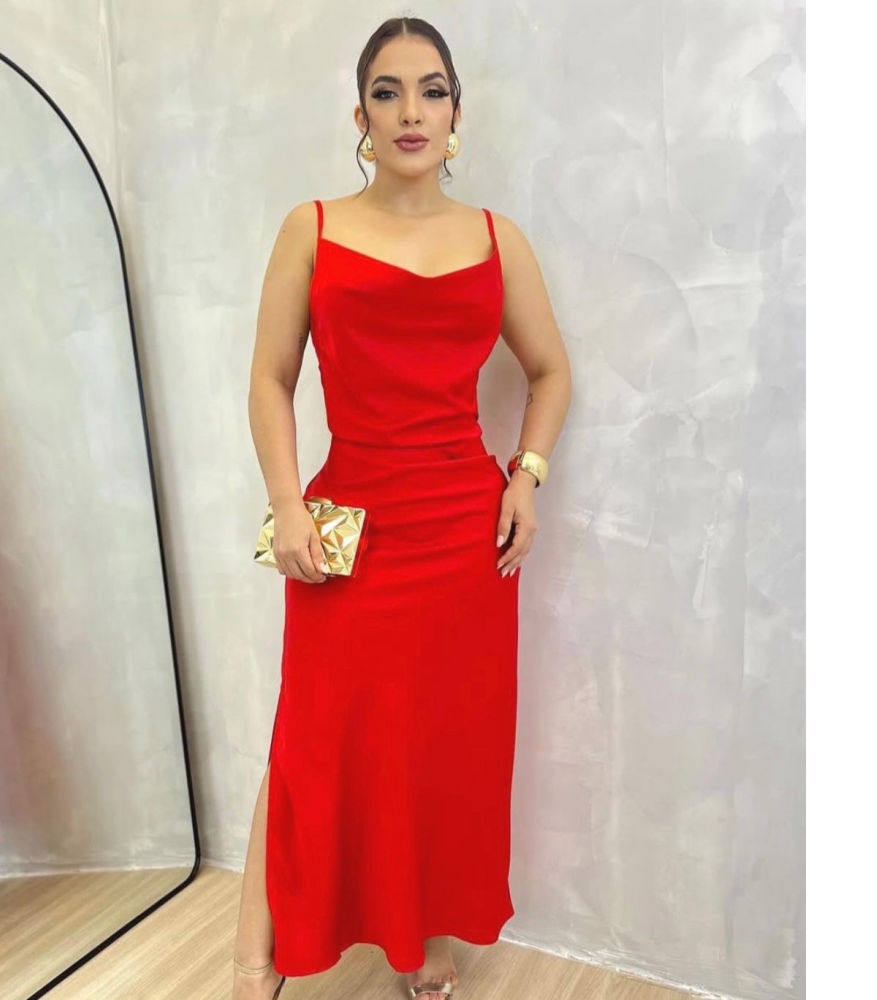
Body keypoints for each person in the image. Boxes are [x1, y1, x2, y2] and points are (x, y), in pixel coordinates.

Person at [236, 16, 572, 1000]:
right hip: (347, 529)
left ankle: (419, 943)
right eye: (387, 92)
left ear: (456, 113)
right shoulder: (312, 228)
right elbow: (268, 379)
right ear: (361, 117)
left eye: (431, 90)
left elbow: (551, 371)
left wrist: (526, 474)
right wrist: (286, 504)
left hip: (465, 538)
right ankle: (254, 961)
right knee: (311, 741)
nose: (411, 110)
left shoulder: (497, 240)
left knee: (433, 752)